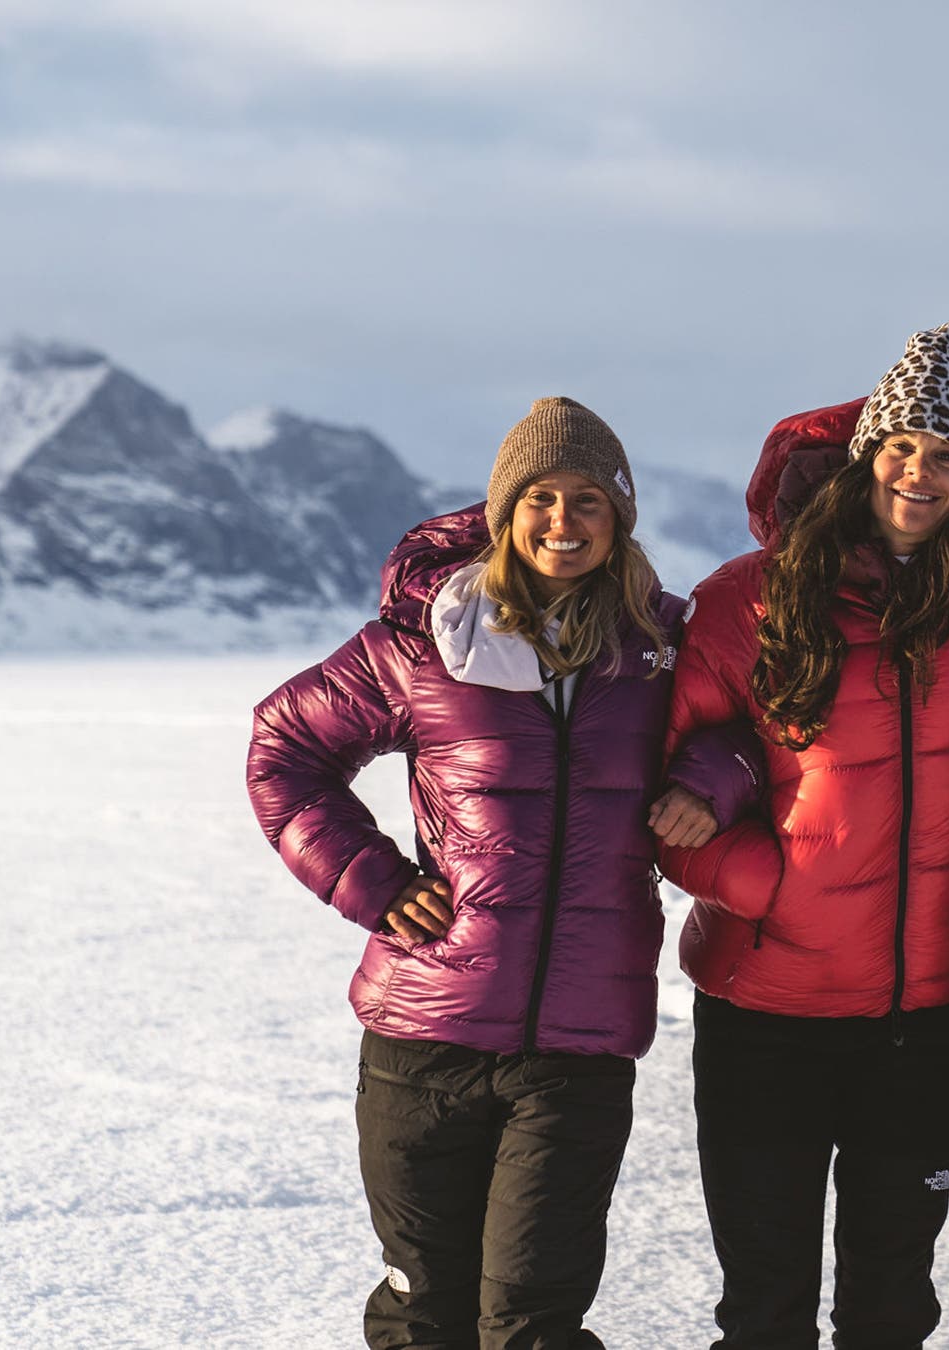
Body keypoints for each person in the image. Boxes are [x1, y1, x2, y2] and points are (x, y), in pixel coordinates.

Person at [247, 397, 747, 1350]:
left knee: (532, 1321)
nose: (564, 520)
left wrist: (712, 777)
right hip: (425, 1032)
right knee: (424, 1312)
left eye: (589, 500)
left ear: (620, 516)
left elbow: (756, 731)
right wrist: (371, 880)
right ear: (505, 512)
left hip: (578, 1045)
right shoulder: (423, 641)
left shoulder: (662, 646)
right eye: (540, 498)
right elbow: (284, 748)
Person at [652, 325, 949, 1349]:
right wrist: (766, 888)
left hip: (922, 1020)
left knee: (890, 1307)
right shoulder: (746, 600)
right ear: (866, 451)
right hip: (765, 1014)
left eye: (948, 455)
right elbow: (661, 794)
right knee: (765, 1310)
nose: (919, 473)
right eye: (902, 445)